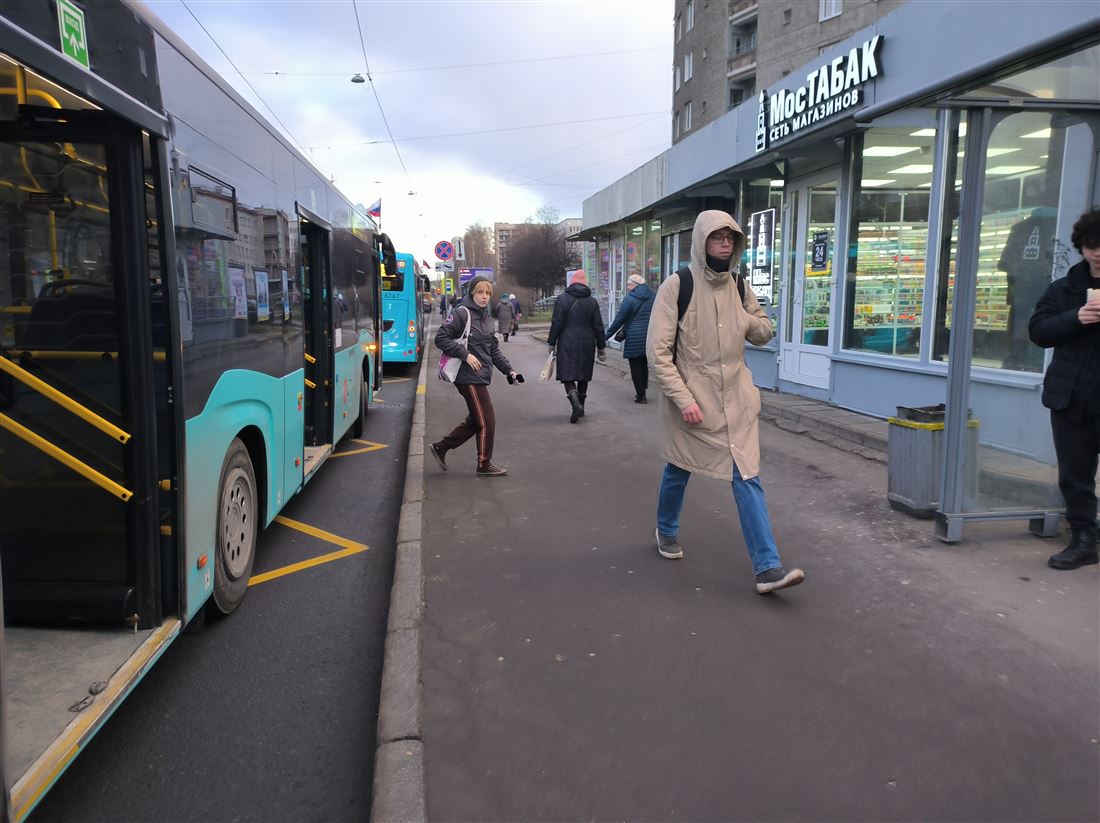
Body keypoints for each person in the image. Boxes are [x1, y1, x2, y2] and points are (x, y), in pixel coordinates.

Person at [647, 210, 805, 595]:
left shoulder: (738, 285)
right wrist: (683, 398)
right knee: (679, 467)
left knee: (746, 475)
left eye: (730, 237)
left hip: (736, 399)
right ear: (702, 241)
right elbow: (658, 353)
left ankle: (768, 568)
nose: (724, 243)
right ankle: (665, 529)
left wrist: (748, 321)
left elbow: (763, 330)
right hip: (694, 401)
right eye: (717, 237)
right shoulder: (677, 286)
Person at [1028, 208, 1100, 570]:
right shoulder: (1064, 288)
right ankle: (1084, 537)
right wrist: (1076, 317)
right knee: (1075, 474)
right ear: (1082, 247)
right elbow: (1038, 331)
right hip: (1071, 398)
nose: (1098, 251)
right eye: (1091, 244)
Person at [431, 275, 519, 477]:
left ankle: (441, 447)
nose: (485, 296)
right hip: (467, 376)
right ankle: (484, 464)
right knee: (487, 420)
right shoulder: (462, 313)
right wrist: (466, 354)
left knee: (476, 419)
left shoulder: (487, 319)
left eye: (488, 293)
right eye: (480, 292)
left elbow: (493, 351)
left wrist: (509, 370)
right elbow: (441, 338)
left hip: (480, 375)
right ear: (472, 293)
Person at [547, 270, 607, 423]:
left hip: (567, 341)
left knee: (568, 375)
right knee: (583, 375)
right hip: (587, 343)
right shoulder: (592, 302)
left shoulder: (562, 299)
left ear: (571, 283)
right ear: (585, 284)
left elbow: (557, 323)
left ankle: (575, 404)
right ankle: (581, 406)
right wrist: (601, 347)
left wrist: (551, 342)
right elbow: (598, 326)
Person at [605, 273, 655, 403]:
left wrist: (605, 336)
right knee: (643, 363)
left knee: (635, 365)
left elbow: (619, 320)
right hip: (649, 335)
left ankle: (640, 395)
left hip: (634, 336)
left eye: (629, 284)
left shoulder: (630, 299)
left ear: (636, 285)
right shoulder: (653, 296)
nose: (627, 287)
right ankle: (643, 389)